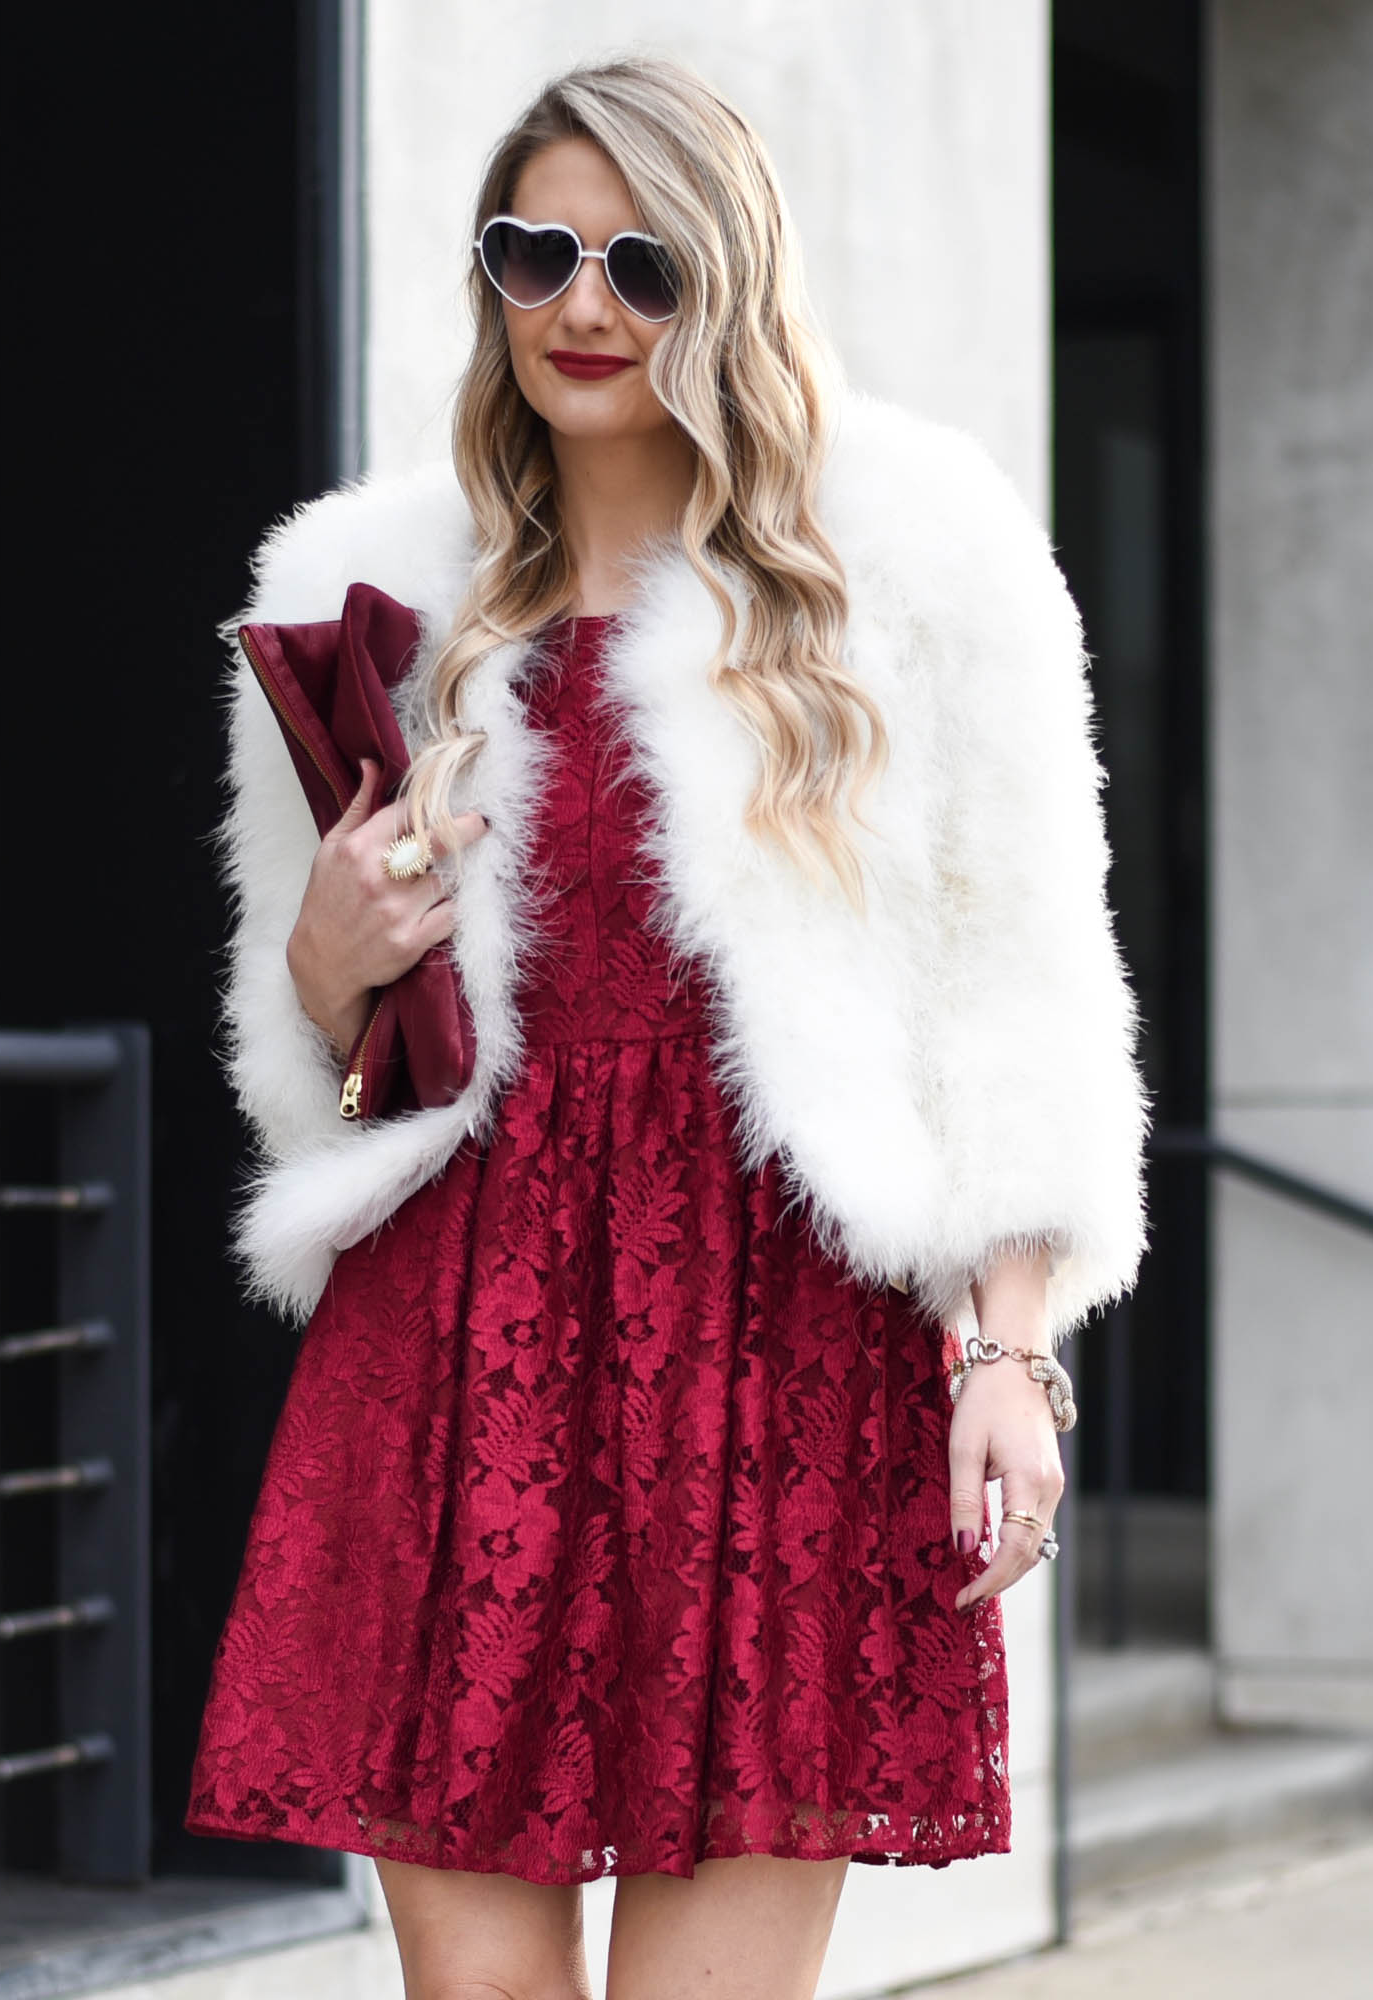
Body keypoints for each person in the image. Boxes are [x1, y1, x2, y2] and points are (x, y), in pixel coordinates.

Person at [185, 53, 1147, 2000]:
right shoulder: (371, 593)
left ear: (730, 286)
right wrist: (325, 949)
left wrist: (1012, 1350)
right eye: (534, 252)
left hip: (778, 1342)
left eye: (644, 264)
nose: (585, 306)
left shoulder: (915, 562)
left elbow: (1021, 979)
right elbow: (321, 1065)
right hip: (459, 1337)